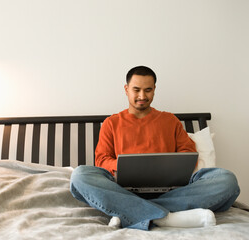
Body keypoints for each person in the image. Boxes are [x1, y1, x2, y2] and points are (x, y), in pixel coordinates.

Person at [70, 66, 240, 231]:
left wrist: (171, 167)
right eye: (136, 90)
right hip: (122, 190)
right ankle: (168, 217)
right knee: (80, 176)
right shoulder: (111, 123)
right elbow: (102, 160)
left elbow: (188, 152)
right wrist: (123, 167)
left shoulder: (170, 120)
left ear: (154, 89)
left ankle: (129, 212)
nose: (142, 96)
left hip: (171, 191)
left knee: (227, 180)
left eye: (148, 90)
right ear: (126, 89)